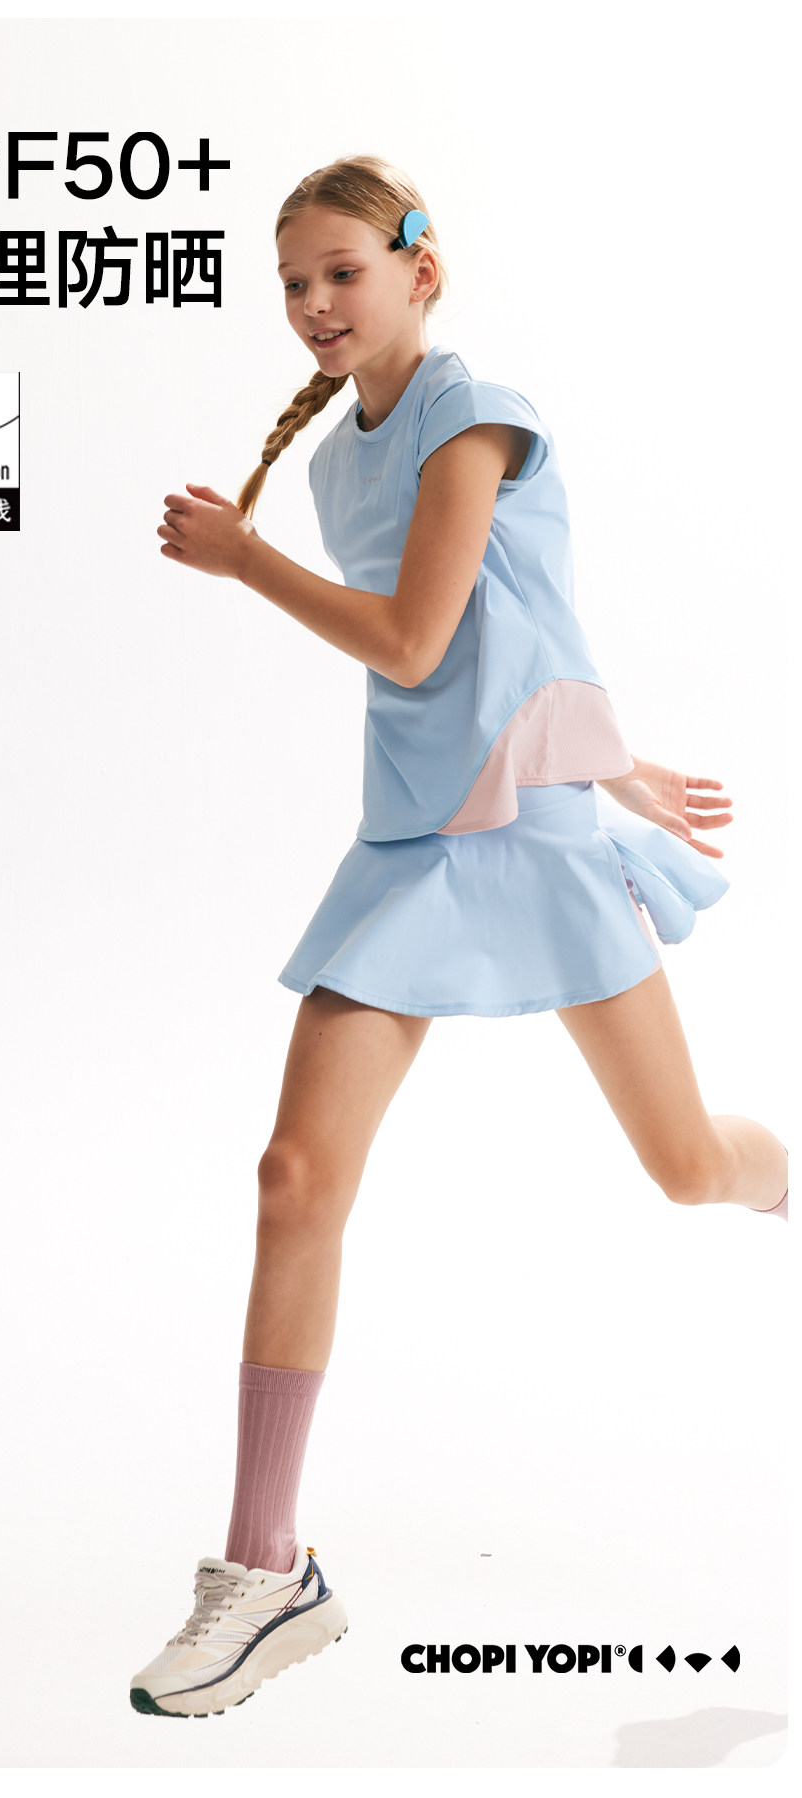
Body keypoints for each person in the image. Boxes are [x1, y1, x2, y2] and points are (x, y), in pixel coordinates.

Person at [128, 155, 788, 1720]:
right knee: (295, 1176)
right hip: (413, 844)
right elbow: (509, 629)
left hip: (536, 847)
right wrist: (623, 755)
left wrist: (246, 564)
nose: (313, 303)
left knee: (690, 1163)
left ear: (420, 270)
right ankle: (268, 1568)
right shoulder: (335, 461)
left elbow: (422, 641)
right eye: (292, 282)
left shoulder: (475, 413)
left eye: (341, 271)